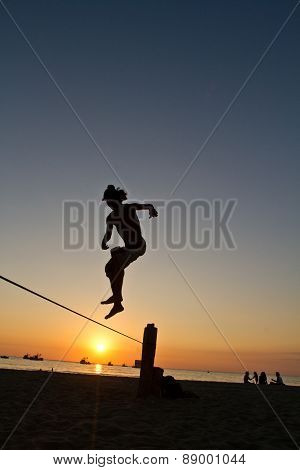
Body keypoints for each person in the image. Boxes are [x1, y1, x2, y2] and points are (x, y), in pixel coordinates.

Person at [101, 185, 158, 319]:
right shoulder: (110, 218)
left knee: (116, 259)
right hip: (128, 249)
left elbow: (146, 206)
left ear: (118, 200)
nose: (109, 204)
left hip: (138, 246)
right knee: (109, 268)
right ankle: (117, 299)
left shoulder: (129, 208)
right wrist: (104, 242)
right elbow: (108, 234)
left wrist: (152, 209)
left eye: (110, 201)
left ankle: (117, 301)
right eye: (108, 202)